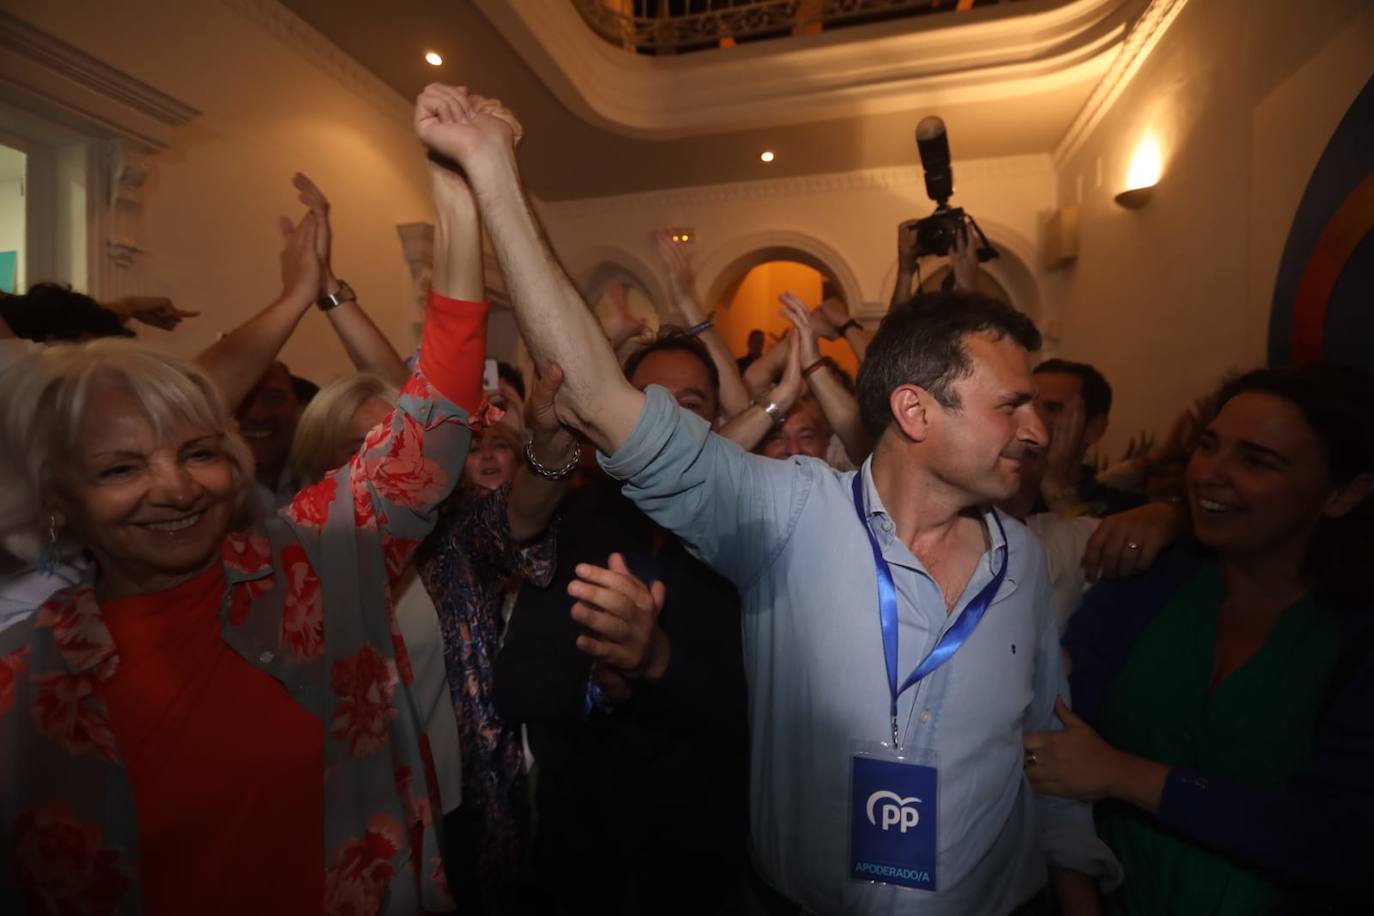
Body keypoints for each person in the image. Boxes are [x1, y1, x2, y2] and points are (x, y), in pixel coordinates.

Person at [412, 83, 1118, 914]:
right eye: (1013, 406)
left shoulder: (1025, 560)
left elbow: (1048, 752)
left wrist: (1078, 894)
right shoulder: (788, 517)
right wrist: (495, 173)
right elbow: (601, 398)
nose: (1039, 431)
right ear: (916, 411)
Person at [0, 136, 493, 910]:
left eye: (199, 452)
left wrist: (464, 200)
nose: (174, 488)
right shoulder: (23, 682)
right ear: (59, 499)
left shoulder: (311, 562)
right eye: (121, 469)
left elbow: (434, 425)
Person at [1026, 364, 1374, 914]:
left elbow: (1343, 840)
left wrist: (1125, 774)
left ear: (1344, 492)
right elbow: (1056, 732)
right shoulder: (1147, 587)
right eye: (1208, 446)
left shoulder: (1353, 634)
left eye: (1256, 461)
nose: (1210, 473)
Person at [494, 332, 749, 916]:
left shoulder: (755, 540)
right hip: (584, 858)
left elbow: (762, 713)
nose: (671, 422)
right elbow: (515, 684)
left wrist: (658, 663)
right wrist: (600, 685)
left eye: (691, 404)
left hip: (707, 859)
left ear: (719, 418)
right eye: (649, 403)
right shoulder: (576, 526)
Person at [1031, 359, 1143, 518]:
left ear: (1093, 429)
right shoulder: (995, 494)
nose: (1032, 419)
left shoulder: (1127, 512)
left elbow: (1088, 542)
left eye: (1052, 408)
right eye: (1025, 405)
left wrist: (1054, 480)